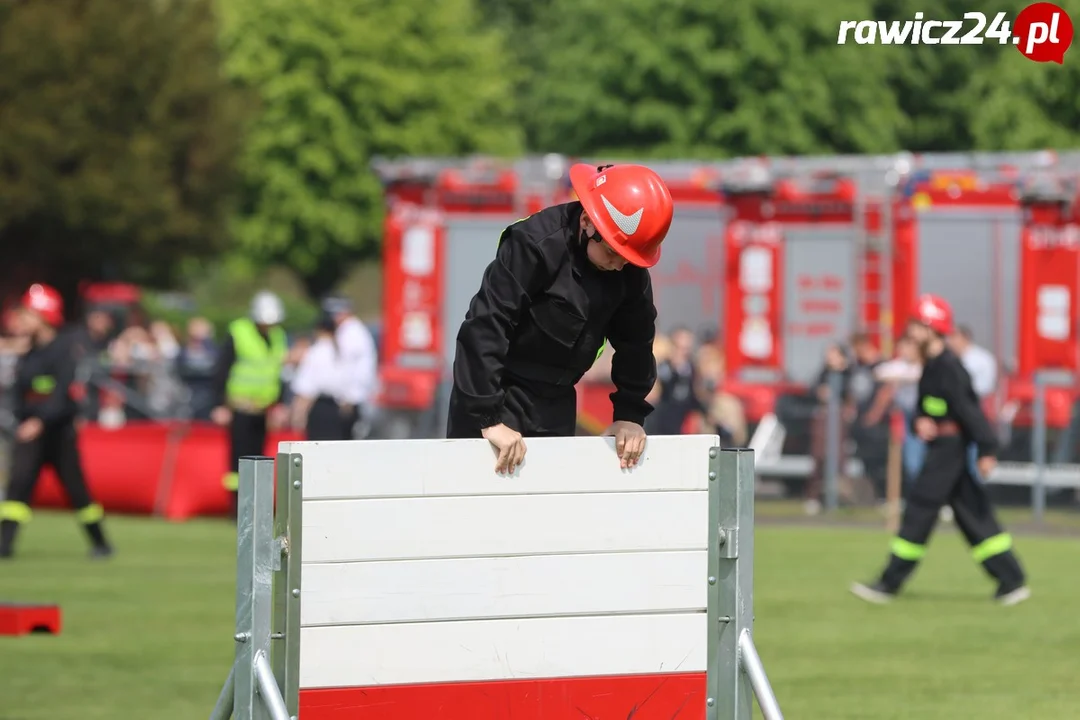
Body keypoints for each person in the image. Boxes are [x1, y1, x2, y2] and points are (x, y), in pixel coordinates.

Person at [447, 162, 673, 473]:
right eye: (612, 254)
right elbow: (486, 326)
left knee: (547, 516)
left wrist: (629, 416)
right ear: (587, 223)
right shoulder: (534, 244)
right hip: (496, 393)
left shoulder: (628, 268)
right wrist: (488, 419)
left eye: (628, 259)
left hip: (557, 400)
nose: (620, 265)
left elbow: (636, 342)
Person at [850, 294, 1030, 606]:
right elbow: (928, 406)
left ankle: (889, 584)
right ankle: (1011, 580)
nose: (911, 333)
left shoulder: (949, 367)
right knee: (972, 513)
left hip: (951, 448)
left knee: (920, 507)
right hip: (944, 446)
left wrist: (987, 450)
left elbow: (970, 411)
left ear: (931, 329)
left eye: (917, 326)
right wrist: (922, 420)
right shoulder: (933, 365)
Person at [0, 284, 114, 559]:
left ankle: (101, 544)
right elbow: (19, 392)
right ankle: (4, 546)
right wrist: (20, 419)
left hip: (59, 433)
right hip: (30, 432)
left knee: (77, 491)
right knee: (19, 485)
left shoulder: (64, 348)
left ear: (43, 317)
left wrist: (39, 421)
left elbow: (64, 393)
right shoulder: (29, 353)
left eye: (28, 314)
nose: (22, 320)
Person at [210, 291, 289, 515]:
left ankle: (256, 506)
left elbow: (277, 371)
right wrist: (220, 404)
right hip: (240, 407)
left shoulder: (278, 336)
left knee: (260, 458)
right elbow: (221, 369)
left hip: (263, 409)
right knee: (238, 460)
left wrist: (280, 403)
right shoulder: (238, 332)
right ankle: (236, 508)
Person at [289, 312, 352, 441]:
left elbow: (306, 389)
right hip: (335, 410)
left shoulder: (315, 353)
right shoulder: (340, 353)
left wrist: (298, 415)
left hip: (318, 409)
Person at [321, 296, 378, 438]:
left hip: (352, 398)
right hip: (353, 397)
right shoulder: (353, 330)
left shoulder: (351, 333)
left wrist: (347, 398)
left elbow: (348, 368)